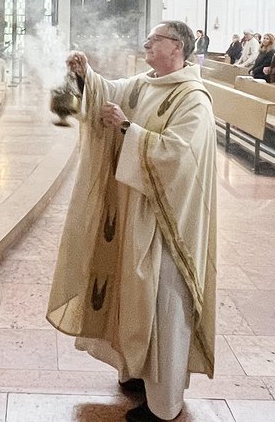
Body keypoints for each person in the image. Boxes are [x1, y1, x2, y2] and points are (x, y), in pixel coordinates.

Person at [49, 21, 217, 422]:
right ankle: (140, 373)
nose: (145, 43)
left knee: (164, 305)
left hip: (167, 223)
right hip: (134, 212)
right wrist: (84, 75)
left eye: (154, 39)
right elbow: (113, 93)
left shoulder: (193, 99)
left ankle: (165, 405)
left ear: (176, 47)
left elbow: (179, 157)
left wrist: (127, 127)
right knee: (134, 296)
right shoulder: (147, 82)